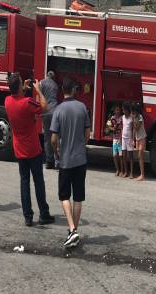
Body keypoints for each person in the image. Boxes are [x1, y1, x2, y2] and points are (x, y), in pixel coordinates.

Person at [5, 73, 55, 227]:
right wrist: (38, 90)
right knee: (38, 182)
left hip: (19, 149)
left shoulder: (7, 101)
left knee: (24, 182)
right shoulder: (27, 102)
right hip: (33, 149)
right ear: (19, 86)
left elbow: (16, 99)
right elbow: (45, 106)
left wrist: (23, 89)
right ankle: (44, 213)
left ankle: (28, 217)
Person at [50, 77, 91, 247]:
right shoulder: (82, 107)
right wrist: (82, 144)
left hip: (66, 160)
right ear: (74, 90)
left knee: (64, 196)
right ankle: (73, 231)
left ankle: (72, 230)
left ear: (62, 91)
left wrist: (56, 152)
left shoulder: (58, 110)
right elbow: (88, 132)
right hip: (81, 159)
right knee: (78, 197)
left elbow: (53, 139)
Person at [39, 70, 59, 169]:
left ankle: (49, 161)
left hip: (45, 112)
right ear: (53, 77)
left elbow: (39, 98)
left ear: (46, 75)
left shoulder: (41, 83)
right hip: (55, 111)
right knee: (55, 136)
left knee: (47, 137)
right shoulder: (56, 85)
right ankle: (57, 160)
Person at [107, 104, 123, 177]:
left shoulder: (122, 118)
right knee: (114, 155)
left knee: (120, 155)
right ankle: (117, 170)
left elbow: (123, 128)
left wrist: (121, 138)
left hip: (120, 139)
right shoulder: (112, 118)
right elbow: (108, 126)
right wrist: (113, 128)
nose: (117, 111)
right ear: (114, 111)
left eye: (118, 110)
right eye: (116, 110)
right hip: (114, 139)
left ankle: (122, 170)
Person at [132, 103, 147, 181]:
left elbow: (137, 128)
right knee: (138, 156)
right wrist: (133, 139)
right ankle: (141, 174)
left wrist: (134, 120)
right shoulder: (134, 117)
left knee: (140, 155)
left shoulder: (140, 117)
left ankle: (142, 175)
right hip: (137, 138)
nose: (133, 113)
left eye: (134, 111)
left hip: (142, 137)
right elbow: (134, 130)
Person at [121, 101, 134, 179]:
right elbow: (122, 127)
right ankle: (126, 172)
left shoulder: (131, 118)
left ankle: (131, 173)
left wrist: (133, 139)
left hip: (129, 139)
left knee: (131, 157)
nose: (123, 111)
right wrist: (120, 137)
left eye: (124, 109)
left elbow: (133, 129)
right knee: (124, 156)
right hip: (123, 138)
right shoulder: (123, 117)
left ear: (127, 110)